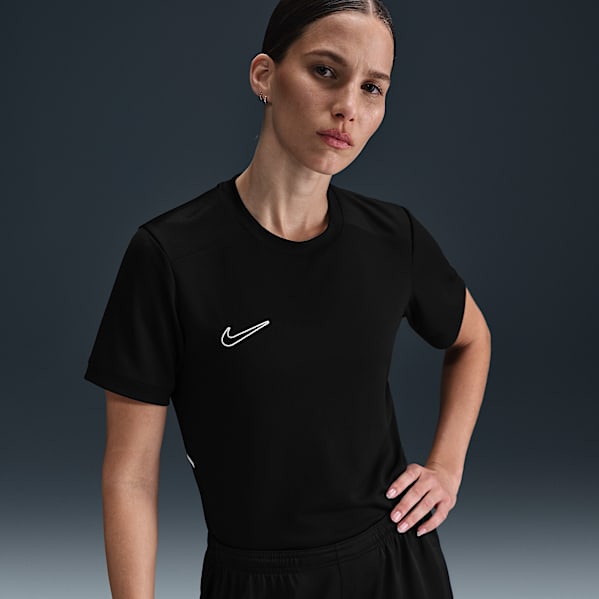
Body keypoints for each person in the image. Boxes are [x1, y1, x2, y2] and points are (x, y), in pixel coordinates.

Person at [84, 0, 491, 597]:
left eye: (372, 88)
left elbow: (472, 339)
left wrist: (446, 469)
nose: (348, 107)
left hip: (397, 567)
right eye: (325, 71)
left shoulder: (393, 238)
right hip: (255, 580)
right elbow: (129, 479)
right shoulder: (170, 256)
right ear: (264, 76)